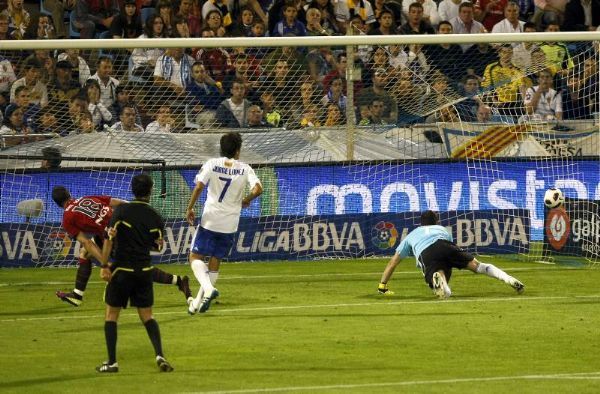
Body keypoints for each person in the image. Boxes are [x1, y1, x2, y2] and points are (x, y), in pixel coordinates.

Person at [52, 185, 191, 307]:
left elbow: (87, 242)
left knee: (136, 266)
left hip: (115, 233)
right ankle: (77, 294)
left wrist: (104, 264)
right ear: (69, 193)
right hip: (121, 225)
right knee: (84, 253)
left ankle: (178, 281)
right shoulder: (86, 198)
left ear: (57, 204)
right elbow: (115, 202)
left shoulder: (67, 218)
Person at [97, 173, 174, 373]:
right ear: (150, 191)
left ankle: (112, 362)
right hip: (145, 270)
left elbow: (108, 238)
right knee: (147, 315)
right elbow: (158, 247)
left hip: (122, 270)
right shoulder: (155, 216)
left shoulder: (121, 211)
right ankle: (160, 355)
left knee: (111, 315)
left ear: (132, 189)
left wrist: (105, 265)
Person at [185, 132, 263, 314]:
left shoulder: (212, 164)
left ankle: (209, 290)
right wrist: (246, 199)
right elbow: (259, 189)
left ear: (221, 148)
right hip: (230, 224)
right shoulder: (245, 169)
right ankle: (197, 302)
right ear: (238, 151)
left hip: (210, 220)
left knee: (195, 257)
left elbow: (199, 186)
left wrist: (190, 207)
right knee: (215, 259)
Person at [377, 210, 525, 299]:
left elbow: (393, 262)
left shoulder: (412, 235)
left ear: (421, 223)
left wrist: (382, 285)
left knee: (438, 273)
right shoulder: (442, 229)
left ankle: (443, 286)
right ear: (436, 221)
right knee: (477, 266)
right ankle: (508, 278)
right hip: (445, 244)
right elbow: (448, 251)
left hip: (426, 252)